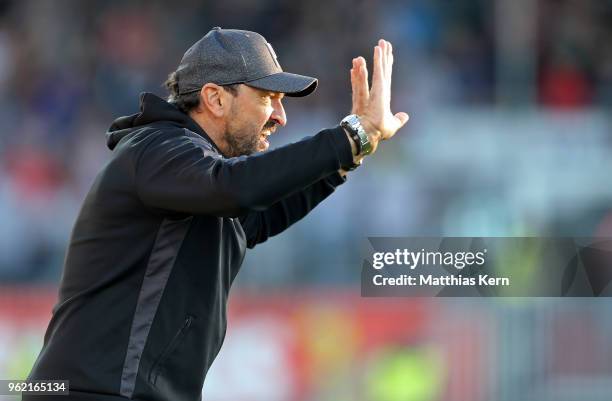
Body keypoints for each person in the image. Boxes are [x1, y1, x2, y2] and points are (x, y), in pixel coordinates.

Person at [25, 27, 408, 401]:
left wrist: (354, 150)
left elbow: (260, 216)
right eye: (268, 98)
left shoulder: (192, 172)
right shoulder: (159, 149)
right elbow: (238, 189)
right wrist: (348, 137)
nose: (280, 116)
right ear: (216, 99)